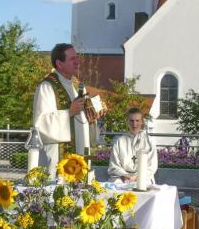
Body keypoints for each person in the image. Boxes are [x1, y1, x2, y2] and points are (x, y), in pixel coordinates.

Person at [32, 43, 102, 178]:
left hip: (80, 150)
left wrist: (92, 117)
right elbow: (40, 124)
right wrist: (69, 112)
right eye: (72, 59)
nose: (77, 62)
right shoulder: (47, 86)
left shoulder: (78, 85)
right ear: (59, 63)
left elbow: (82, 120)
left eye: (77, 58)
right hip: (58, 154)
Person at [107, 108, 158, 185]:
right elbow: (114, 165)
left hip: (143, 177)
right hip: (122, 177)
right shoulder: (119, 141)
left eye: (137, 120)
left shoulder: (149, 142)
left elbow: (152, 166)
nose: (134, 124)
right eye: (131, 121)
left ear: (142, 122)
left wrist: (136, 176)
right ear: (127, 122)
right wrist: (125, 175)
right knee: (116, 184)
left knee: (143, 185)